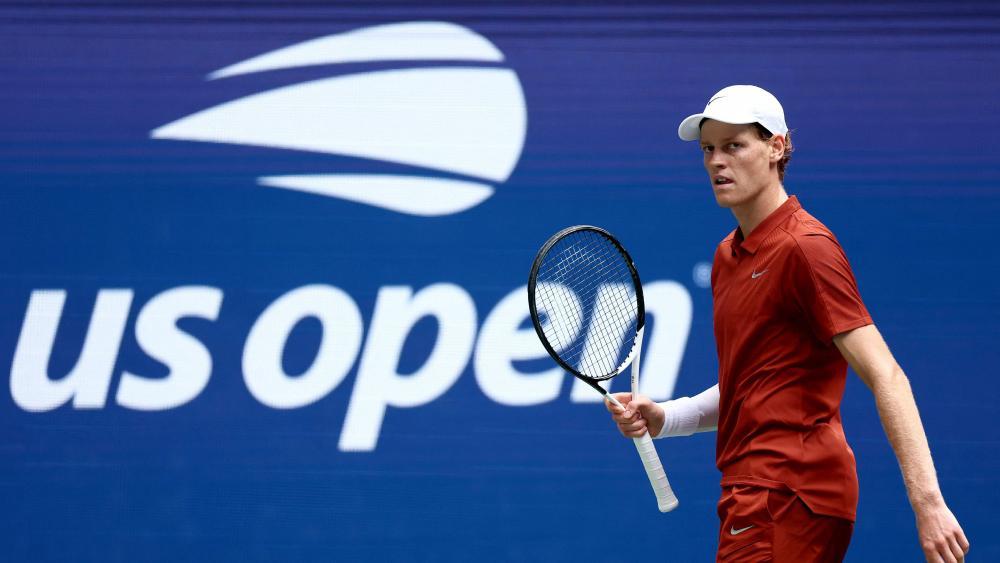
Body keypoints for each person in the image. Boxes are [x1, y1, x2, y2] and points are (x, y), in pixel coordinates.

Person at [606, 85, 969, 562]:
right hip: (757, 492)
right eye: (708, 149)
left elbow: (887, 374)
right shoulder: (727, 256)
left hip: (788, 492)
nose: (717, 162)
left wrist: (928, 503)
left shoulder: (806, 247)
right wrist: (669, 418)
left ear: (777, 147)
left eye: (734, 146)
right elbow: (753, 382)